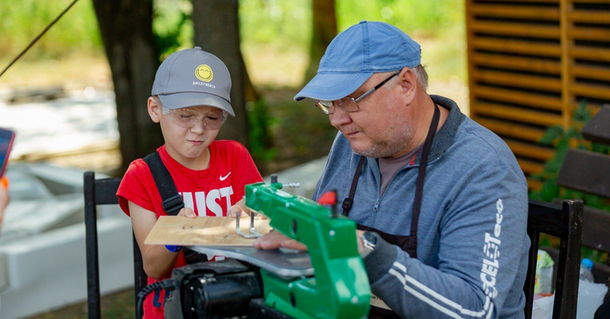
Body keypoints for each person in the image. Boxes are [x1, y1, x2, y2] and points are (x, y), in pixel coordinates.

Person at [254, 21, 529, 319]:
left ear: (406, 85)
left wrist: (366, 251)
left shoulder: (482, 169)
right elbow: (322, 236)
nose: (337, 119)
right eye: (329, 104)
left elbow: (474, 308)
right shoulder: (354, 140)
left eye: (350, 99)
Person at [117, 47, 263, 319]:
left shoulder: (235, 156)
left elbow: (263, 220)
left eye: (212, 117)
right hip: (174, 307)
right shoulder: (142, 174)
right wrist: (177, 233)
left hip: (237, 298)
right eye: (185, 115)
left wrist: (252, 214)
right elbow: (152, 266)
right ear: (155, 109)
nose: (198, 129)